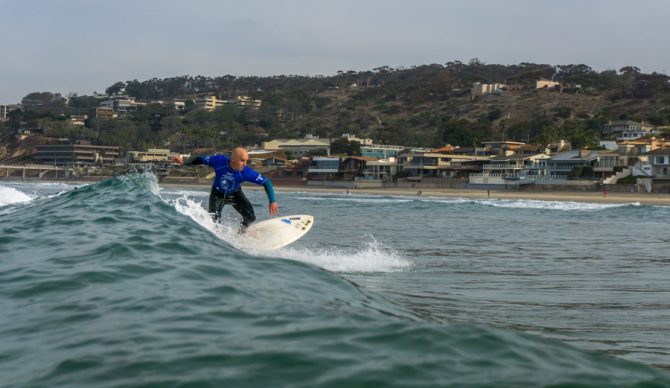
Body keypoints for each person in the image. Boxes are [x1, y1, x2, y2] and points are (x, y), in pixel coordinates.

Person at [174, 148, 278, 230]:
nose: (245, 164)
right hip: (217, 195)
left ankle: (241, 233)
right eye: (242, 160)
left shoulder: (246, 172)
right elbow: (201, 159)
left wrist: (272, 201)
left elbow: (266, 182)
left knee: (250, 217)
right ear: (233, 159)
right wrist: (184, 162)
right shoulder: (219, 161)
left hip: (235, 195)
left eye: (246, 160)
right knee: (214, 223)